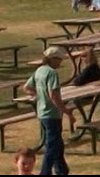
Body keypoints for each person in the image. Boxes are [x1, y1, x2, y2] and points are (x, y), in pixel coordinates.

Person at [24, 47, 76, 176]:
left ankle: (62, 169)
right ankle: (45, 172)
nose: (60, 62)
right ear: (52, 59)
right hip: (52, 115)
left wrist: (39, 95)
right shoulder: (52, 73)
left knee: (57, 143)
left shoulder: (39, 71)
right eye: (58, 59)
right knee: (52, 146)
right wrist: (65, 111)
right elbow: (54, 95)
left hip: (42, 113)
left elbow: (27, 87)